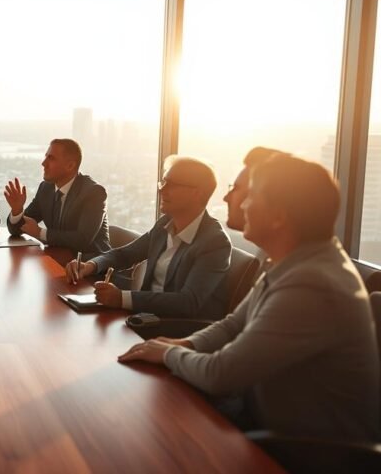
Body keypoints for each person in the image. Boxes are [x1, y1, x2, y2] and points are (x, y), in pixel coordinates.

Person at [119, 154, 380, 442]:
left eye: (249, 195)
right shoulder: (291, 261)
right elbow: (233, 324)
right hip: (268, 414)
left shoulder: (313, 284)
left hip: (309, 451)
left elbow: (221, 374)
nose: (238, 201)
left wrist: (168, 354)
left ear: (279, 215)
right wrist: (184, 343)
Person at [66, 156, 232, 319]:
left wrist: (121, 298)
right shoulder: (165, 224)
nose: (161, 189)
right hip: (145, 316)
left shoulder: (215, 242)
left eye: (172, 184)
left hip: (177, 330)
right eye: (163, 182)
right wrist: (90, 265)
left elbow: (188, 302)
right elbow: (126, 254)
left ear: (197, 194)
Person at [4, 138, 110, 256]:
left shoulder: (93, 192)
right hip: (57, 259)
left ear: (70, 165)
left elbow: (82, 240)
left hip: (92, 266)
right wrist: (17, 211)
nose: (43, 163)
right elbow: (18, 230)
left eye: (51, 158)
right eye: (46, 156)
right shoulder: (46, 188)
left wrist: (40, 233)